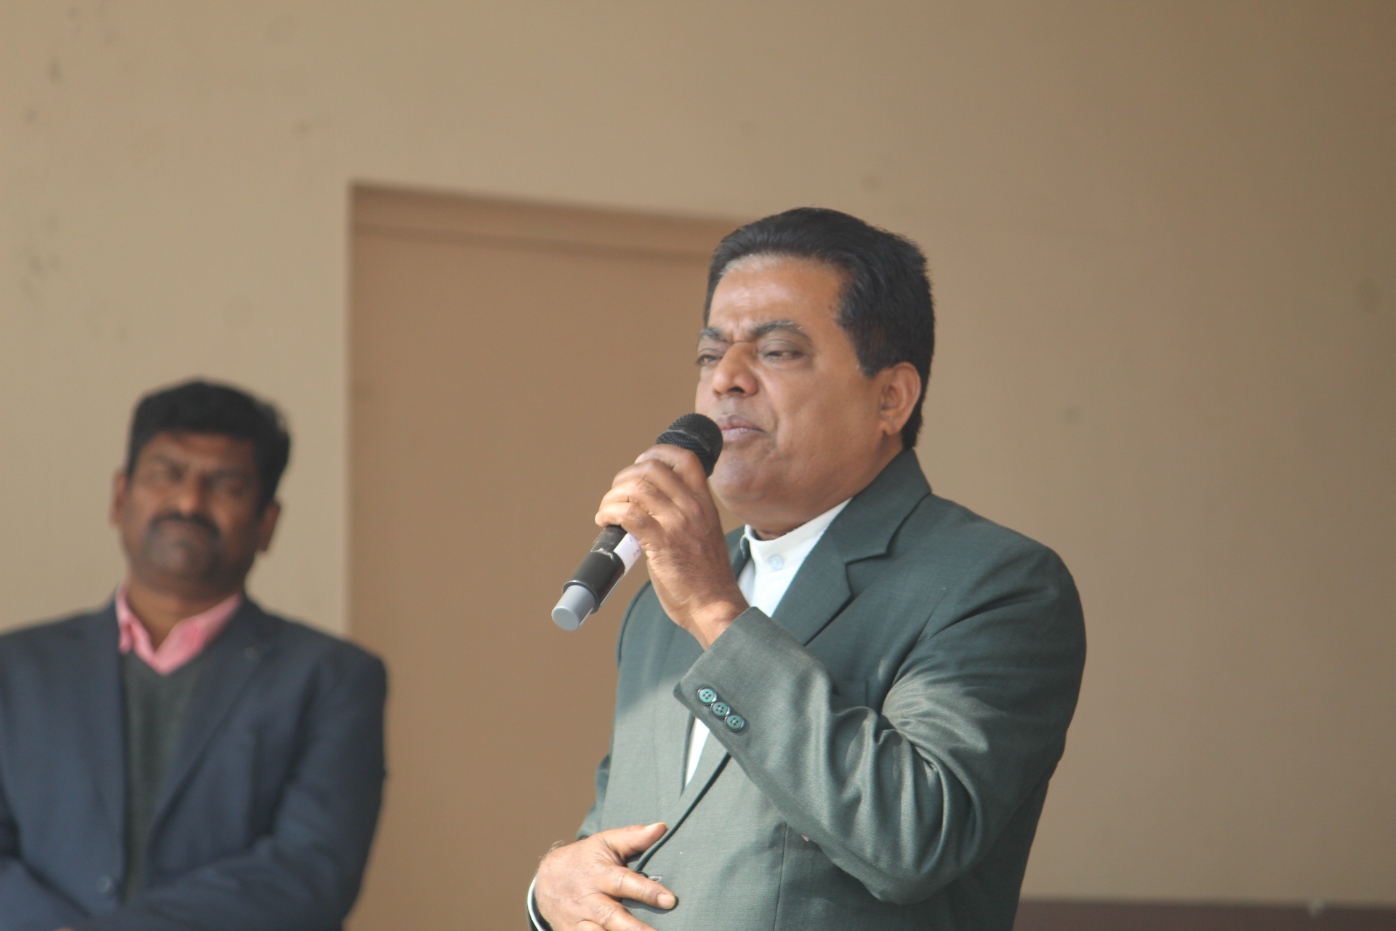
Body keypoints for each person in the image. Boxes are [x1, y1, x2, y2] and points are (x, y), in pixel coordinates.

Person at [530, 208, 1086, 931]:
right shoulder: (659, 604)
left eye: (778, 351)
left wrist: (716, 614)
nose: (727, 379)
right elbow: (626, 841)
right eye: (710, 354)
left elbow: (911, 838)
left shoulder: (996, 585)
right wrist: (552, 887)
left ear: (891, 397)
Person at [0, 380, 387, 931]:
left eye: (225, 485)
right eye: (167, 474)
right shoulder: (15, 670)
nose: (188, 502)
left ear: (267, 523)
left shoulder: (332, 678)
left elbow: (310, 870)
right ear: (119, 498)